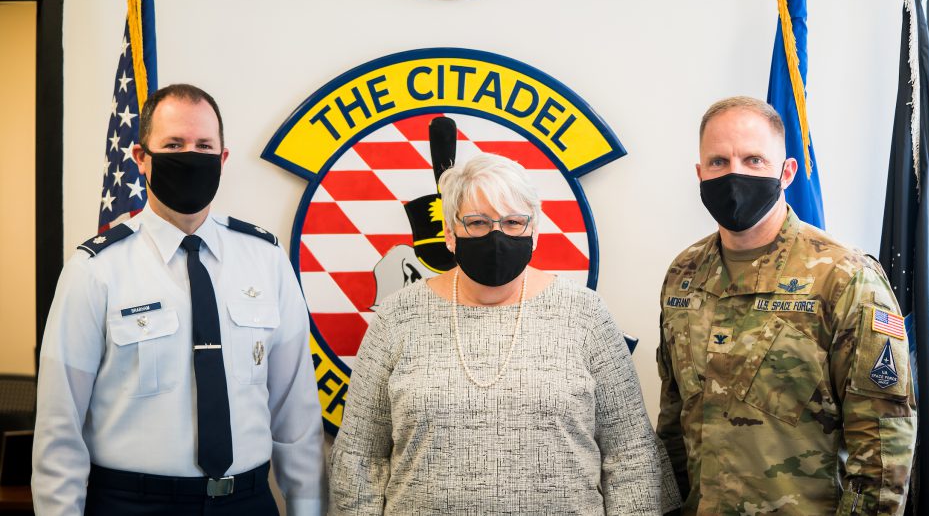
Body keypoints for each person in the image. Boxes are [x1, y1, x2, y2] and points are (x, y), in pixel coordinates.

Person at [329, 152, 680, 515]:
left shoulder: (585, 314)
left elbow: (631, 455)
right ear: (450, 233)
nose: (496, 236)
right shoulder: (397, 317)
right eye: (478, 222)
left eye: (513, 222)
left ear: (535, 231)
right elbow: (359, 458)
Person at [33, 84, 325, 515]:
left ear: (223, 160)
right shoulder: (95, 270)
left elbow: (295, 415)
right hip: (131, 504)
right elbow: (60, 429)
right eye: (173, 144)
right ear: (140, 158)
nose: (190, 156)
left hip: (246, 503)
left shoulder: (266, 259)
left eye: (204, 145)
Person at [657, 97, 917, 515]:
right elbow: (674, 421)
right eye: (719, 161)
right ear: (700, 173)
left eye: (754, 159)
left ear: (787, 171)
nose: (735, 173)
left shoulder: (844, 277)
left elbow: (884, 451)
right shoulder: (683, 275)